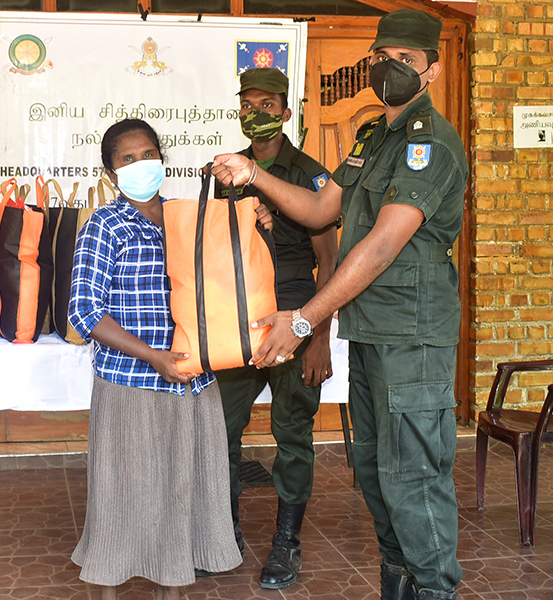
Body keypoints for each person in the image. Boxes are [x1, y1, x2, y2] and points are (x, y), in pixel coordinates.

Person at [211, 10, 467, 600]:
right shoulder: (373, 137)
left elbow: (378, 247)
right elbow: (323, 211)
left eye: (407, 59)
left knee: (415, 483)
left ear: (430, 71)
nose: (392, 68)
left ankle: (435, 591)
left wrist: (305, 321)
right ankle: (397, 586)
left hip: (414, 339)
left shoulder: (431, 144)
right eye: (383, 57)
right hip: (374, 334)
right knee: (378, 478)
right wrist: (254, 173)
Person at [69, 118, 242, 600]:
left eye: (148, 155)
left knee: (178, 497)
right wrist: (153, 357)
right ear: (110, 173)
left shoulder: (189, 218)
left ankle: (172, 590)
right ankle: (107, 589)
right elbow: (84, 312)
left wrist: (257, 224)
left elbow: (225, 283)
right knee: (120, 497)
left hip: (191, 382)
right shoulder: (103, 226)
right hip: (130, 383)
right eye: (127, 159)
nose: (140, 165)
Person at [208, 67, 339, 590]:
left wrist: (319, 339)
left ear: (286, 114)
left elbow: (329, 263)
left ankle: (287, 542)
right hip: (238, 328)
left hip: (294, 324)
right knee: (218, 431)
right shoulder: (224, 175)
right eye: (248, 104)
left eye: (268, 106)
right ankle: (226, 531)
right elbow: (214, 255)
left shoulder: (310, 174)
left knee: (292, 436)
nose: (256, 114)